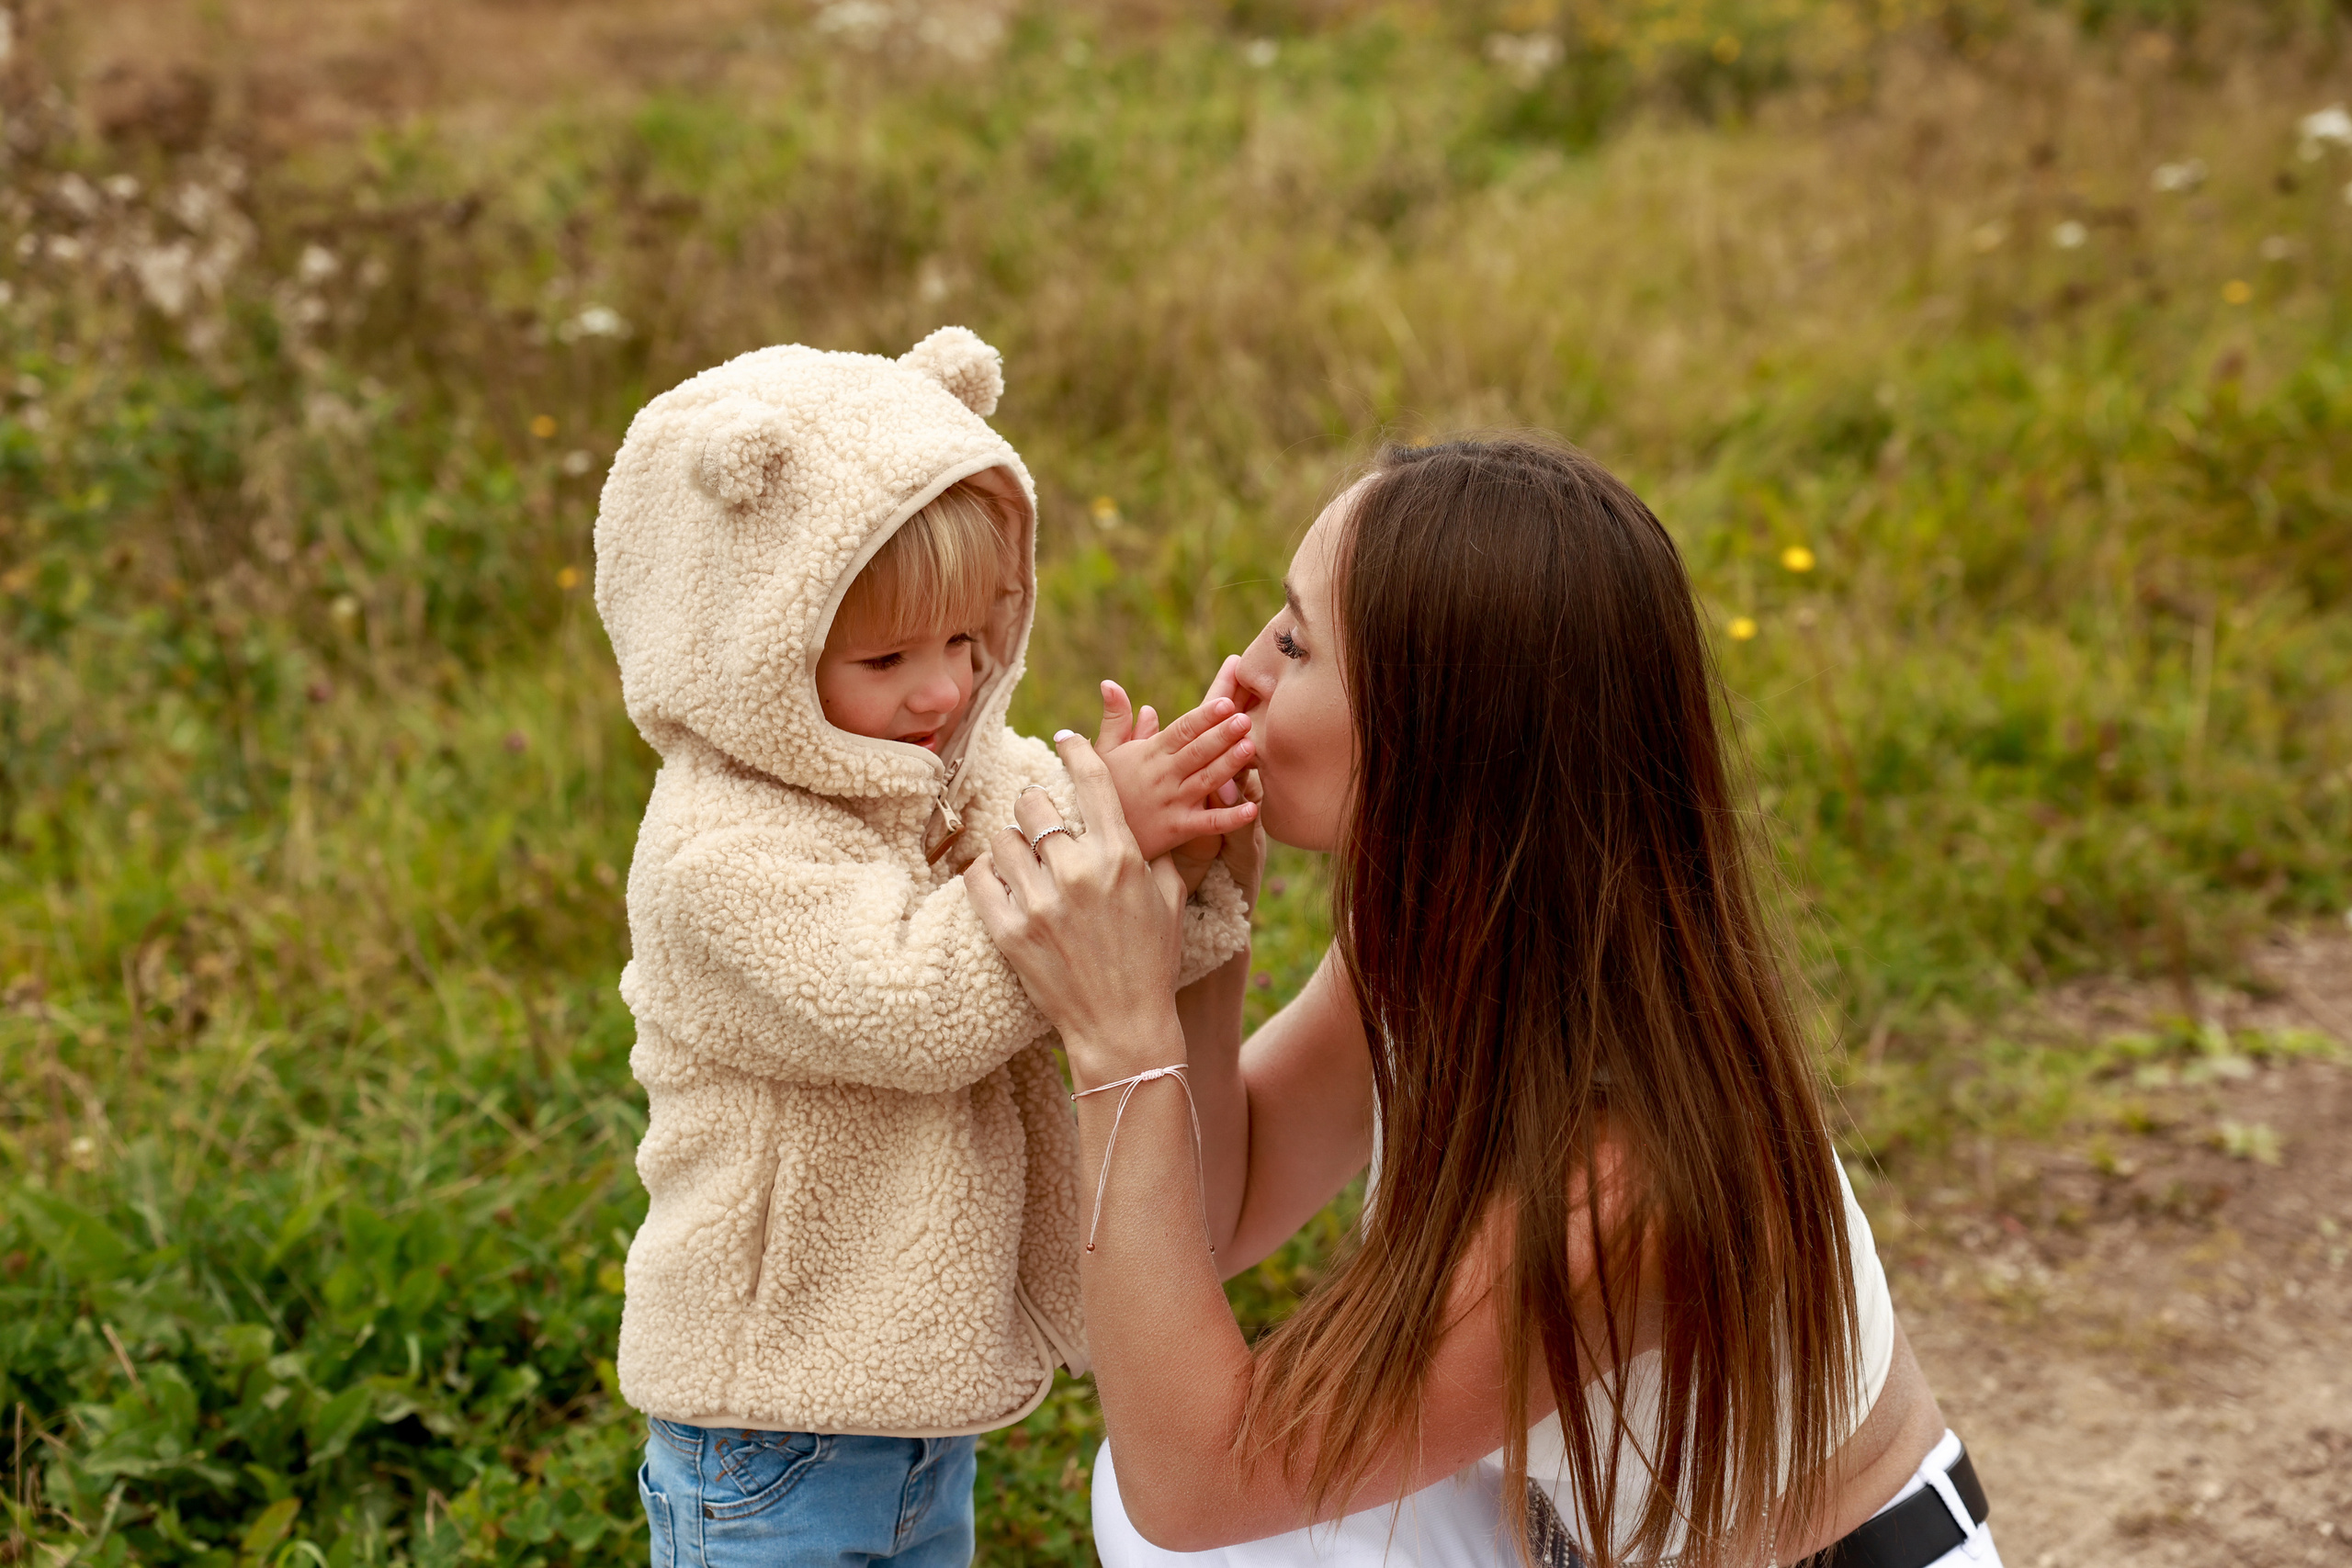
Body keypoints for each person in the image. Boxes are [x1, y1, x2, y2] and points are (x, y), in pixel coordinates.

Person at [968, 437, 2000, 1568]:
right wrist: (1206, 931)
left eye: (1298, 644)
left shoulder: (1619, 1176)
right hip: (1569, 1539)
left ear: (1442, 741)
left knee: (1192, 1513)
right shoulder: (1457, 948)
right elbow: (1226, 1209)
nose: (1242, 675)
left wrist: (1119, 1041)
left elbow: (1191, 1484)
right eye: (1276, 620)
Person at [591, 327, 1261, 1568]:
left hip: (913, 1400)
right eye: (887, 657)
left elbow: (1080, 936)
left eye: (967, 640)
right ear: (753, 651)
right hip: (770, 1419)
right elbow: (917, 998)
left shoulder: (953, 774)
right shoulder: (721, 852)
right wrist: (1094, 826)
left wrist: (1175, 848)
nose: (944, 689)